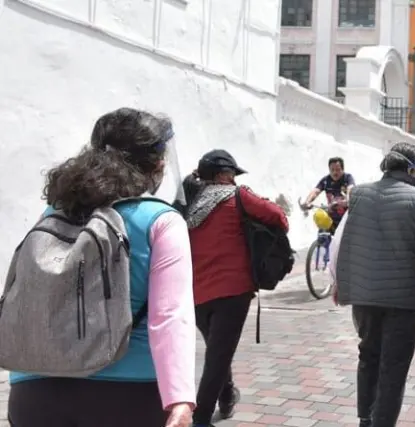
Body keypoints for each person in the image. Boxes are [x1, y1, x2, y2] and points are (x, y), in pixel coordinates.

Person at [6, 108, 196, 427]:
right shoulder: (161, 221)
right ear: (157, 163)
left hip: (33, 389)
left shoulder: (54, 211)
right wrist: (180, 398)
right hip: (126, 393)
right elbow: (170, 315)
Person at [328, 143, 415, 427]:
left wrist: (337, 281)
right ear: (412, 169)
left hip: (363, 295)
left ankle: (366, 418)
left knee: (368, 355)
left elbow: (339, 241)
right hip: (404, 297)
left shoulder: (359, 193)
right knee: (394, 366)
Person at [182, 149, 289, 427]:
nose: (233, 179)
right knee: (218, 354)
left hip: (194, 292)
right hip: (233, 292)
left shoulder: (187, 202)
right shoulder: (238, 196)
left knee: (218, 349)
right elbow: (279, 218)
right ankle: (201, 418)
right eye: (231, 174)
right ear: (221, 175)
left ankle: (227, 395)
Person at [301, 157, 355, 232]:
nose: (334, 173)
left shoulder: (348, 178)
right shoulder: (326, 180)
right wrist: (307, 201)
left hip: (345, 220)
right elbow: (315, 191)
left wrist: (347, 200)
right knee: (320, 223)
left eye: (338, 170)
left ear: (343, 169)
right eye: (332, 170)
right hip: (331, 218)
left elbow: (351, 189)